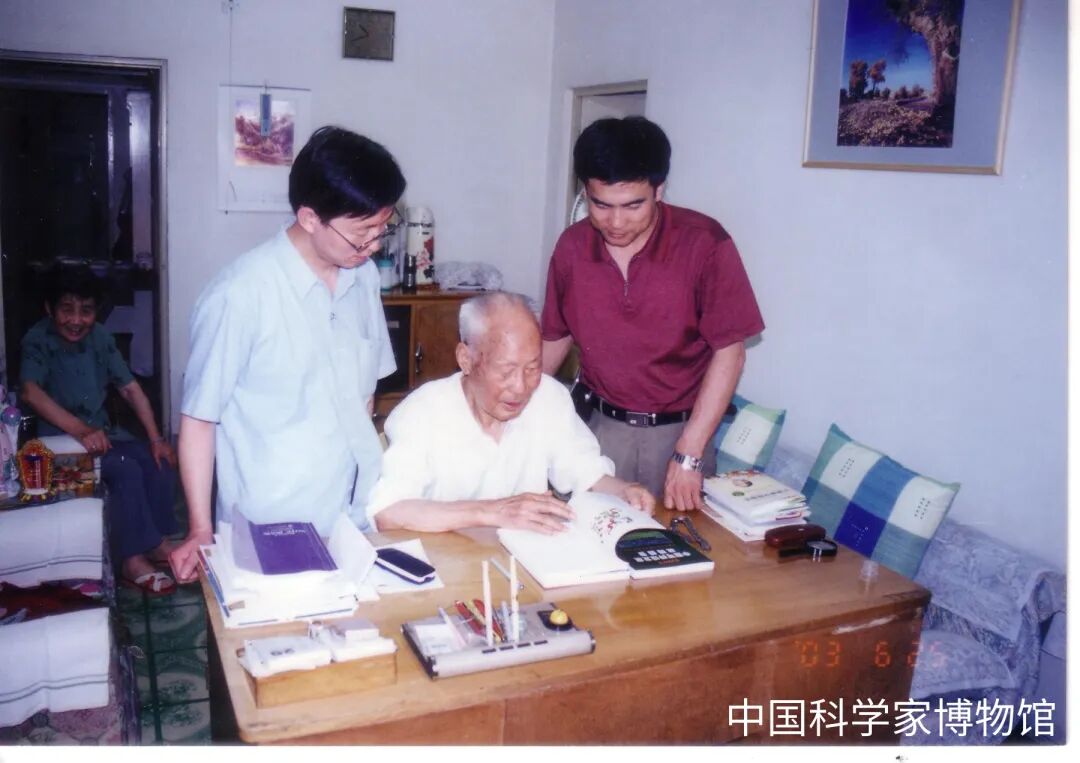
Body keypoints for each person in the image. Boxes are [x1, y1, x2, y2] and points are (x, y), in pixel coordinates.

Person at [169, 126, 406, 583]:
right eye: (363, 233)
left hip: (352, 513)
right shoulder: (239, 295)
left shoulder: (363, 278)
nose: (375, 246)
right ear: (310, 217)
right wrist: (199, 528)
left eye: (383, 228)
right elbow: (199, 419)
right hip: (270, 522)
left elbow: (364, 396)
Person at [541, 116, 764, 512]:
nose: (615, 222)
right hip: (594, 429)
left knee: (678, 545)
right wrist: (508, 404)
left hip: (678, 435)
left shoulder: (704, 244)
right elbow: (555, 337)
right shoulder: (572, 248)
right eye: (601, 205)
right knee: (584, 537)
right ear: (585, 192)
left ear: (659, 189)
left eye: (633, 205)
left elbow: (730, 352)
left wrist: (690, 453)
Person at [367, 292, 654, 533]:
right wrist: (492, 512)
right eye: (506, 371)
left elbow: (585, 472)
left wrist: (623, 491)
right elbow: (388, 512)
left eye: (532, 368)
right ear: (465, 359)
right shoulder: (421, 413)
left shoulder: (548, 397)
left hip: (524, 561)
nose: (520, 387)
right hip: (449, 564)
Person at [20, 268, 178, 594]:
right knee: (125, 468)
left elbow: (130, 388)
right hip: (58, 447)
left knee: (157, 459)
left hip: (102, 438)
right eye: (67, 309)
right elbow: (30, 392)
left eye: (86, 310)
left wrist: (157, 439)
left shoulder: (101, 337)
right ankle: (131, 560)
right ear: (50, 309)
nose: (76, 320)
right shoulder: (38, 340)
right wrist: (82, 430)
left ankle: (156, 543)